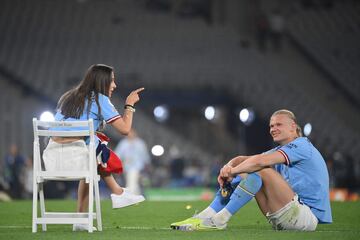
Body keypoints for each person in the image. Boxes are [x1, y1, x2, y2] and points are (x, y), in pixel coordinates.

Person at [171, 109, 332, 231]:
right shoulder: (282, 150)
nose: (273, 128)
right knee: (252, 167)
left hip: (306, 217)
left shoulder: (302, 145)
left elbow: (259, 162)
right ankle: (207, 214)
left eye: (278, 124)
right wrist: (227, 169)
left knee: (260, 169)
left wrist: (233, 172)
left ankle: (220, 219)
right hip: (286, 214)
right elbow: (243, 159)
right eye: (271, 125)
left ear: (293, 128)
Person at [42, 64, 145, 231]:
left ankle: (82, 218)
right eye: (112, 81)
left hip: (51, 160)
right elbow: (125, 129)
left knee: (93, 149)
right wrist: (129, 105)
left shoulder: (68, 97)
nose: (114, 85)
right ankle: (118, 193)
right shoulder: (99, 99)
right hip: (78, 157)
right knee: (97, 146)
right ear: (102, 82)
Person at [114, 129, 151, 195]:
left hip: (137, 166)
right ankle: (138, 196)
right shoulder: (123, 143)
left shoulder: (140, 143)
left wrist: (147, 165)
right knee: (133, 181)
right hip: (126, 166)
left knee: (132, 180)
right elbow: (117, 154)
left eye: (132, 133)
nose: (130, 135)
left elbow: (145, 155)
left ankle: (130, 196)